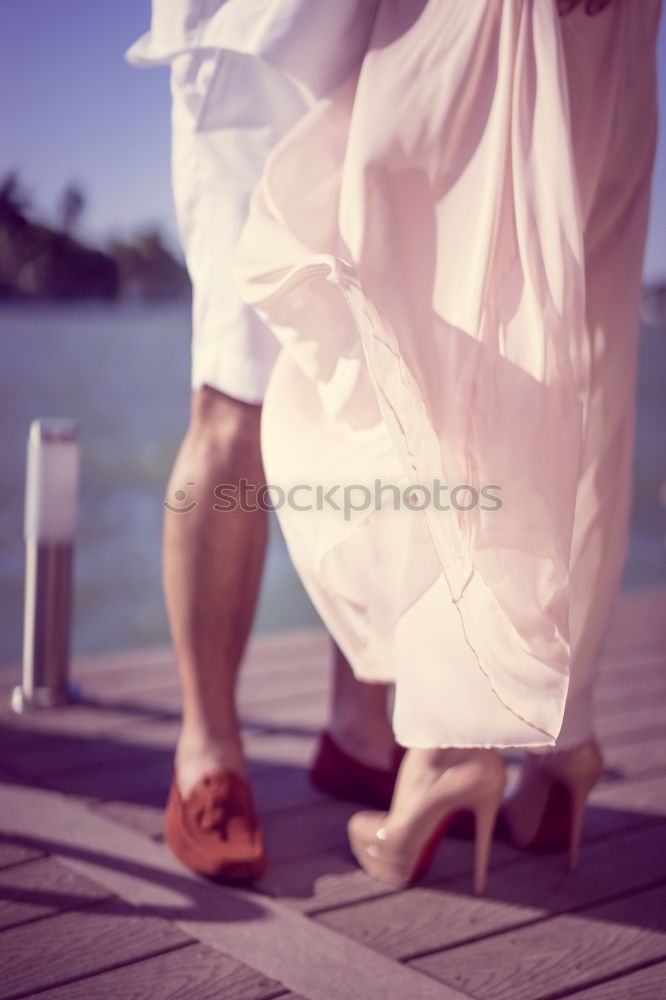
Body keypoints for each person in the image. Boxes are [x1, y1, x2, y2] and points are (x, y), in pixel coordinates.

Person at [233, 0, 662, 894]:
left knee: (441, 324)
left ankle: (445, 750)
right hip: (621, 27)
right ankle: (561, 744)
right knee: (581, 356)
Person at [127, 0, 405, 883]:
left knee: (379, 401)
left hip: (395, 49)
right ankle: (206, 751)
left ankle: (364, 729)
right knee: (236, 395)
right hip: (253, 40)